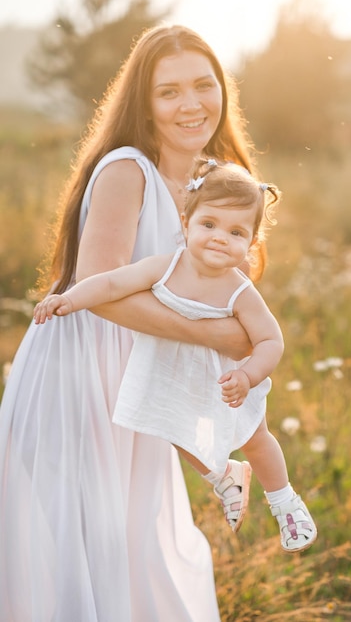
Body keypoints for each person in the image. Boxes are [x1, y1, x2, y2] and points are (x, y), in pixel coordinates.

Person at [0, 23, 266, 622]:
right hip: (80, 376)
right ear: (144, 101)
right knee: (80, 545)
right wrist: (211, 333)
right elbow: (97, 290)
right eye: (168, 91)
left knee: (141, 540)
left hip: (141, 379)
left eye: (203, 85)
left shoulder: (213, 180)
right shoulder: (127, 168)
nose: (191, 103)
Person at [34, 158, 317, 553]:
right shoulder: (165, 268)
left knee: (255, 438)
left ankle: (284, 501)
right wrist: (69, 298)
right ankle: (224, 477)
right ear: (186, 224)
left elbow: (271, 341)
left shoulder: (239, 292)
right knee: (173, 428)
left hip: (227, 381)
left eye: (236, 232)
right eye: (209, 225)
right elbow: (112, 282)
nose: (220, 237)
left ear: (251, 243)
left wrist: (248, 377)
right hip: (172, 373)